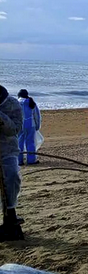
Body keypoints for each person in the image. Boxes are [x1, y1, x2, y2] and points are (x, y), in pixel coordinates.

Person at [0, 85, 24, 233]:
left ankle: (11, 212)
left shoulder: (12, 104)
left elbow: (15, 129)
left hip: (7, 150)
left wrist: (1, 117)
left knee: (12, 177)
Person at [16, 90, 41, 166]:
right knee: (30, 142)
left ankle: (19, 161)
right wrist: (37, 125)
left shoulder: (16, 102)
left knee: (19, 143)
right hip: (31, 125)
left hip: (20, 125)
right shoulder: (31, 102)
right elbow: (37, 116)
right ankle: (31, 160)